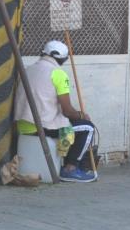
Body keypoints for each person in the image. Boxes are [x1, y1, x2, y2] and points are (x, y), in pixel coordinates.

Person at [13, 40, 97, 183]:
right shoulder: (58, 74)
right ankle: (70, 169)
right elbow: (67, 112)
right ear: (63, 59)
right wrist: (82, 115)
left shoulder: (29, 69)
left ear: (43, 53)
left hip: (22, 126)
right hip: (41, 127)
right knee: (87, 127)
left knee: (72, 125)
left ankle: (65, 163)